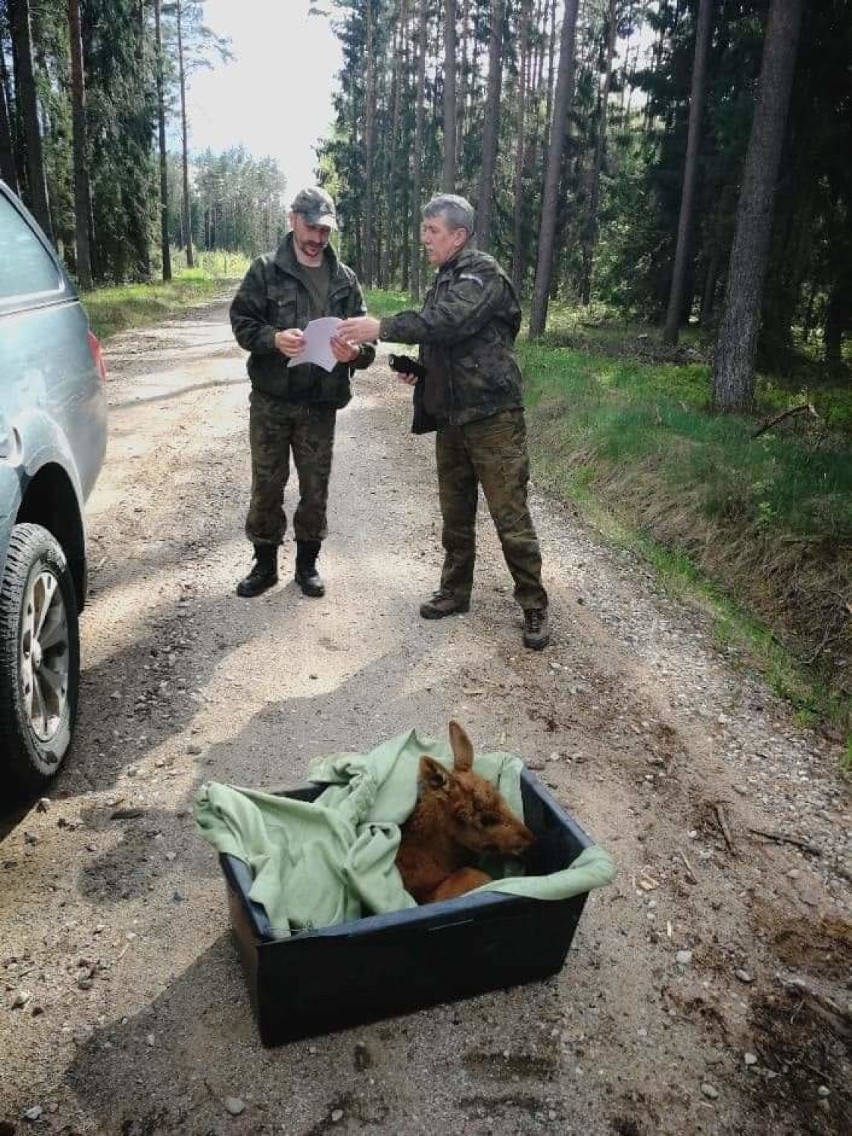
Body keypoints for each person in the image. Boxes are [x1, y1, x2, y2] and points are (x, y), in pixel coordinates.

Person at [338, 193, 550, 650]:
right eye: (423, 229)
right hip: (453, 418)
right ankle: (455, 591)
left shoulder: (482, 272)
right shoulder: (445, 279)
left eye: (431, 231)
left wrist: (382, 326)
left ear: (459, 235)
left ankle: (533, 604)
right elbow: (448, 343)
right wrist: (420, 370)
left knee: (509, 515)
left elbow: (450, 322)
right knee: (456, 515)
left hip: (493, 418)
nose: (423, 238)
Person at [229, 186, 375, 598]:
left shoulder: (345, 280)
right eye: (311, 227)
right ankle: (264, 564)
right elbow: (242, 322)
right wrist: (273, 339)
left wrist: (353, 352)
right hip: (272, 400)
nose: (317, 238)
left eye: (325, 231)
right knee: (267, 483)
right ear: (292, 219)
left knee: (315, 486)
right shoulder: (264, 270)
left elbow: (367, 346)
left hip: (319, 402)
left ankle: (307, 564)